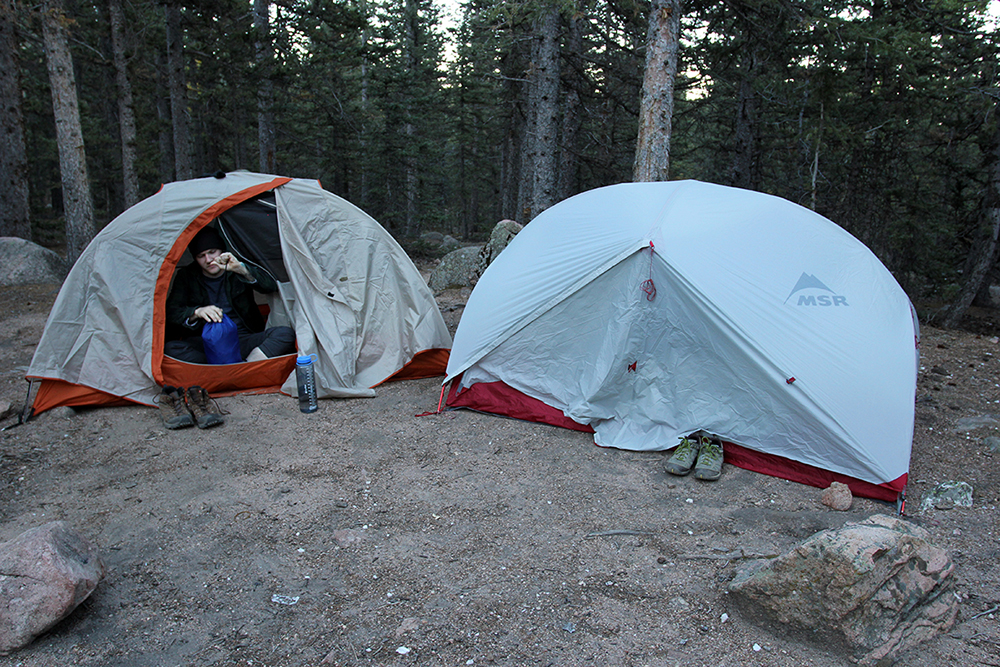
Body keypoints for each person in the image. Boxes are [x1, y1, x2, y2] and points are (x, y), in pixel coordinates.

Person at [165, 226, 296, 364]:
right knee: (171, 349)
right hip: (206, 342)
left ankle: (242, 367)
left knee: (285, 334)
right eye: (201, 256)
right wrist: (197, 312)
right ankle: (227, 369)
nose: (208, 259)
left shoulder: (235, 266)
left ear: (222, 250)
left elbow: (271, 286)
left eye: (212, 252)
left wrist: (242, 270)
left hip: (242, 338)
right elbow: (172, 312)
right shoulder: (187, 276)